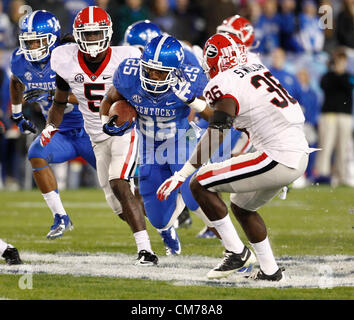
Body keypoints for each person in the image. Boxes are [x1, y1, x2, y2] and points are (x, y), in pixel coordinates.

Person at [157, 32, 314, 281]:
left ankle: (236, 252)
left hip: (277, 155)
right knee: (241, 206)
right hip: (294, 152)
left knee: (200, 182)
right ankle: (271, 271)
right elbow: (227, 116)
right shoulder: (255, 69)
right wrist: (192, 101)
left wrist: (181, 174)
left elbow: (218, 129)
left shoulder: (225, 82)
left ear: (216, 60)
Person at [40, 6, 158, 265]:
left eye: (97, 34)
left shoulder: (127, 56)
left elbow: (154, 85)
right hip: (95, 137)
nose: (93, 40)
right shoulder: (64, 59)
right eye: (88, 34)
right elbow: (59, 102)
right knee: (117, 205)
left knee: (119, 182)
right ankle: (163, 222)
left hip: (124, 131)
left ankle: (146, 251)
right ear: (78, 35)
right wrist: (50, 127)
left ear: (108, 34)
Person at [100, 35, 215, 255]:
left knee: (197, 196)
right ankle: (167, 229)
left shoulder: (191, 78)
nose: (153, 76)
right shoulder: (128, 74)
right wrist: (107, 124)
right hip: (149, 148)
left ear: (174, 71)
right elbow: (108, 100)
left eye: (160, 72)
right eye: (149, 69)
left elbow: (215, 117)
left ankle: (236, 251)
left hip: (181, 140)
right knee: (158, 219)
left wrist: (193, 101)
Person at [9, 10, 93, 239]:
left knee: (117, 185)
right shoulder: (19, 59)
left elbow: (93, 95)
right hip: (59, 131)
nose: (32, 47)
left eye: (37, 40)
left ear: (52, 38)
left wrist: (52, 92)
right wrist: (17, 114)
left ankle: (162, 225)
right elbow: (16, 81)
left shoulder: (70, 57)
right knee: (36, 153)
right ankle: (61, 217)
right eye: (28, 41)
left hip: (90, 130)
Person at [314, 47, 353, 186]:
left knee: (343, 147)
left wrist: (340, 74)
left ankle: (341, 176)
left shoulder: (349, 76)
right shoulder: (327, 75)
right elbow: (323, 86)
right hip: (329, 114)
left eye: (343, 60)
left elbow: (349, 87)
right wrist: (334, 72)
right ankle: (322, 176)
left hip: (345, 116)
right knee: (326, 144)